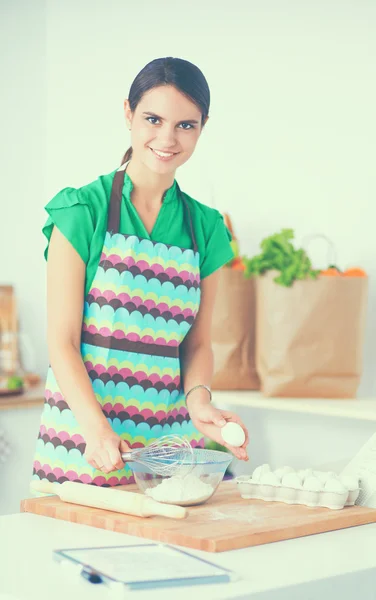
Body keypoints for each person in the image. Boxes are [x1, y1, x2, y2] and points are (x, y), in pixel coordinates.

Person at [32, 57, 249, 488]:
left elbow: (199, 342)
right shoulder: (81, 211)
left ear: (203, 127)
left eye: (186, 125)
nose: (167, 138)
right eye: (153, 119)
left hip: (170, 454)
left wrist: (200, 401)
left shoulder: (206, 227)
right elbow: (62, 342)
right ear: (128, 113)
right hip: (81, 442)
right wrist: (96, 430)